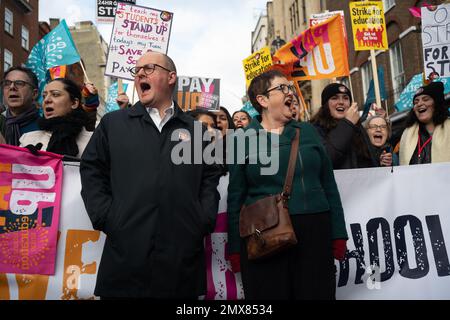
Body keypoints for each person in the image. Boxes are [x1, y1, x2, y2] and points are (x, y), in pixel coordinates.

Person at [79, 51, 222, 299]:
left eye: (149, 68)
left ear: (171, 78)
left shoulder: (196, 130)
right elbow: (92, 170)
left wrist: (202, 219)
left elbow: (210, 178)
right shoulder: (113, 124)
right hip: (126, 258)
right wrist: (108, 217)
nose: (140, 74)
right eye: (137, 71)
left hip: (180, 259)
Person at [227, 70, 348, 300]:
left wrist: (338, 233)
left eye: (290, 88)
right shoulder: (242, 139)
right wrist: (234, 249)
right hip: (265, 237)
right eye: (282, 88)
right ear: (262, 100)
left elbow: (329, 186)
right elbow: (235, 199)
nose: (290, 92)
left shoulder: (308, 132)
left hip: (314, 233)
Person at [19, 78, 92, 158]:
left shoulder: (94, 141)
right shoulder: (27, 140)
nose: (46, 100)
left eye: (55, 94)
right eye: (44, 96)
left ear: (74, 103)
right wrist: (24, 160)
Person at [311, 83, 377, 169]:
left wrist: (381, 161)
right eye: (334, 98)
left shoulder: (358, 129)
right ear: (326, 104)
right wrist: (347, 124)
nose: (341, 102)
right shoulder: (315, 129)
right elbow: (326, 158)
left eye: (345, 98)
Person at [399, 81, 450, 165]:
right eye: (416, 102)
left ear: (436, 103)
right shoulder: (406, 133)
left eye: (426, 99)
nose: (419, 104)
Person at [0, 66, 40, 145]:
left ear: (34, 94)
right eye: (7, 83)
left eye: (19, 83)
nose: (12, 87)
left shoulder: (46, 128)